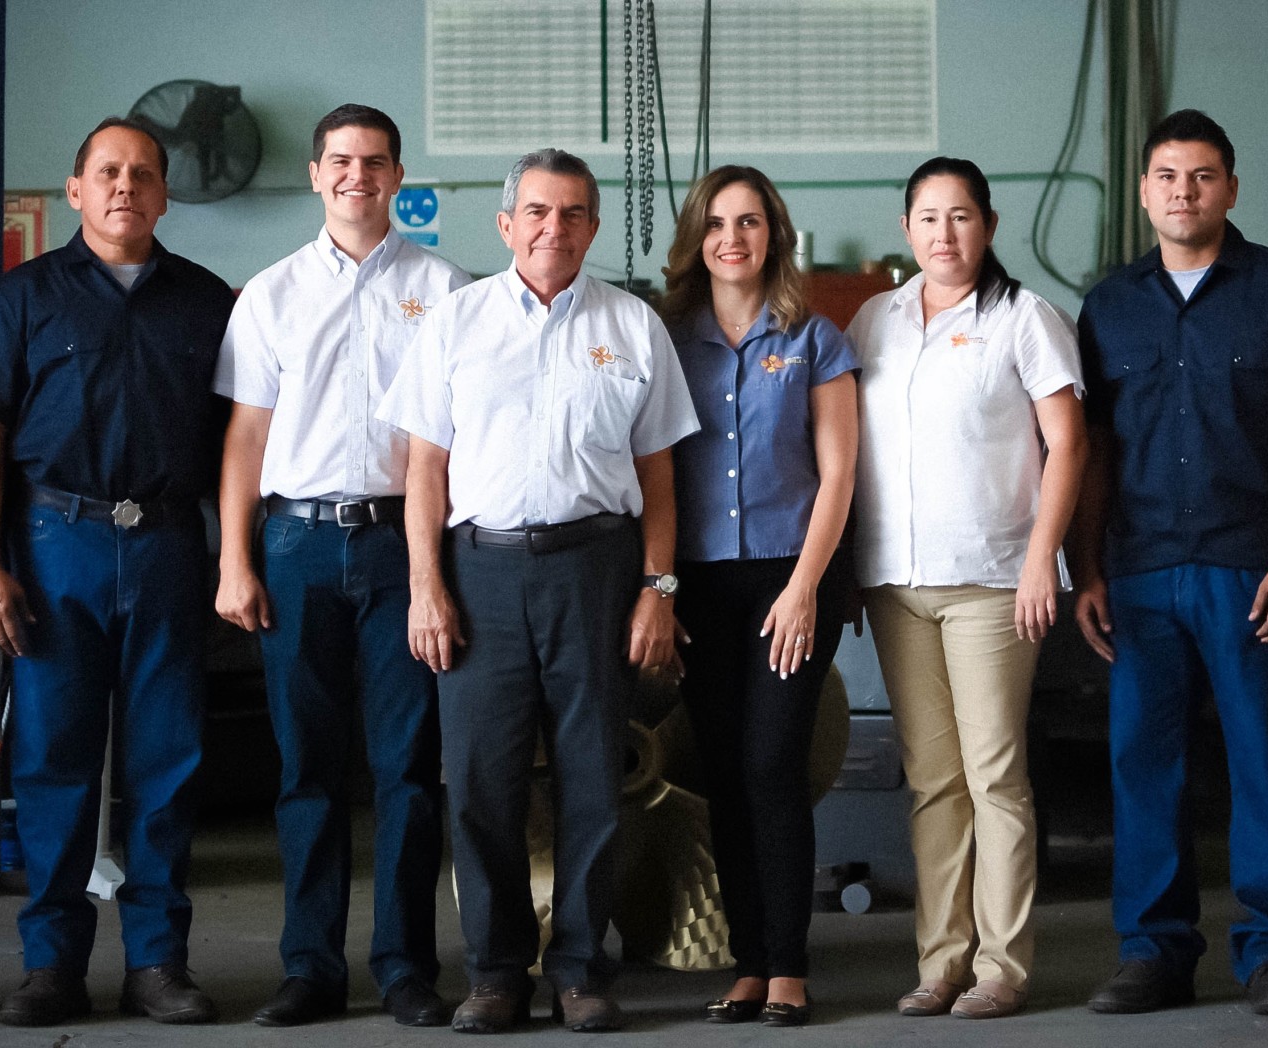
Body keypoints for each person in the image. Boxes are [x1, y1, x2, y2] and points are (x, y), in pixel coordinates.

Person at [379, 148, 699, 1033]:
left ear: (592, 227)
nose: (553, 227)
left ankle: (582, 970)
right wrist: (426, 587)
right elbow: (425, 470)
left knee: (593, 775)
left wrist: (658, 588)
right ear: (506, 224)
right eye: (537, 211)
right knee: (481, 781)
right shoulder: (455, 321)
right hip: (479, 572)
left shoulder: (632, 325)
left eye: (572, 213)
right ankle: (495, 973)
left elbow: (660, 475)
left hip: (596, 570)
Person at [1071, 109, 1268, 1018]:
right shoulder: (1109, 305)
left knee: (1265, 761)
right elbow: (1092, 449)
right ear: (1143, 192)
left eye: (1201, 176)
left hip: (1252, 567)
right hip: (1142, 571)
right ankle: (1154, 953)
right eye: (1166, 176)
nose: (1183, 192)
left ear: (1231, 187)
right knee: (1145, 766)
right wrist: (1087, 567)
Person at [0, 117, 232, 1027]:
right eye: (108, 172)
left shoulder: (206, 302)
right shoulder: (22, 297)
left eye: (144, 173)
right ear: (75, 190)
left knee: (167, 760)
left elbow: (240, 439)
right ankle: (52, 965)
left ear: (165, 194)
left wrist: (234, 552)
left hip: (166, 544)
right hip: (54, 545)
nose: (126, 186)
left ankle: (157, 962)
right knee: (52, 762)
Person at [212, 104, 469, 1029]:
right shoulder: (268, 294)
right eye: (341, 161)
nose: (358, 175)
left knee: (408, 769)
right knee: (306, 770)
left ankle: (404, 967)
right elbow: (246, 436)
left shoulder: (446, 288)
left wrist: (434, 571)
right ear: (317, 175)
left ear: (398, 177)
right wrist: (235, 558)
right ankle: (310, 968)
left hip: (407, 544)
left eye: (375, 161)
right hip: (298, 545)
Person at [849, 156, 1085, 1022]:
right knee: (933, 781)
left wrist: (1042, 558)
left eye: (961, 217)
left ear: (988, 225)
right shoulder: (875, 320)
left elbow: (1069, 444)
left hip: (993, 581)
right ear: (905, 229)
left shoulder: (1026, 319)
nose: (944, 234)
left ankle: (1001, 968)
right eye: (928, 218)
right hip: (898, 582)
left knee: (995, 775)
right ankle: (940, 962)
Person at [658, 165, 859, 1028]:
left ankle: (788, 966)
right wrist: (659, 590)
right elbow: (651, 469)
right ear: (695, 239)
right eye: (715, 223)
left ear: (773, 233)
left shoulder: (814, 339)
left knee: (774, 766)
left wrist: (807, 586)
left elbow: (839, 472)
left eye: (748, 221)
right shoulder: (665, 340)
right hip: (700, 583)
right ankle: (747, 963)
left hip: (792, 577)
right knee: (725, 771)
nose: (731, 238)